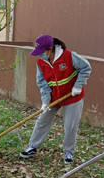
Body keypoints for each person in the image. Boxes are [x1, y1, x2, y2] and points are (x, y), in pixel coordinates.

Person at [20, 35, 91, 164]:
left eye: (41, 52)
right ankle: (32, 147)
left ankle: (69, 152)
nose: (39, 55)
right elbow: (42, 82)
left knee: (70, 125)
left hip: (72, 96)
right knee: (42, 120)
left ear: (49, 49)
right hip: (54, 97)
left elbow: (86, 68)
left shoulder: (69, 56)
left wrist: (78, 86)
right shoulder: (41, 62)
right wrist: (46, 101)